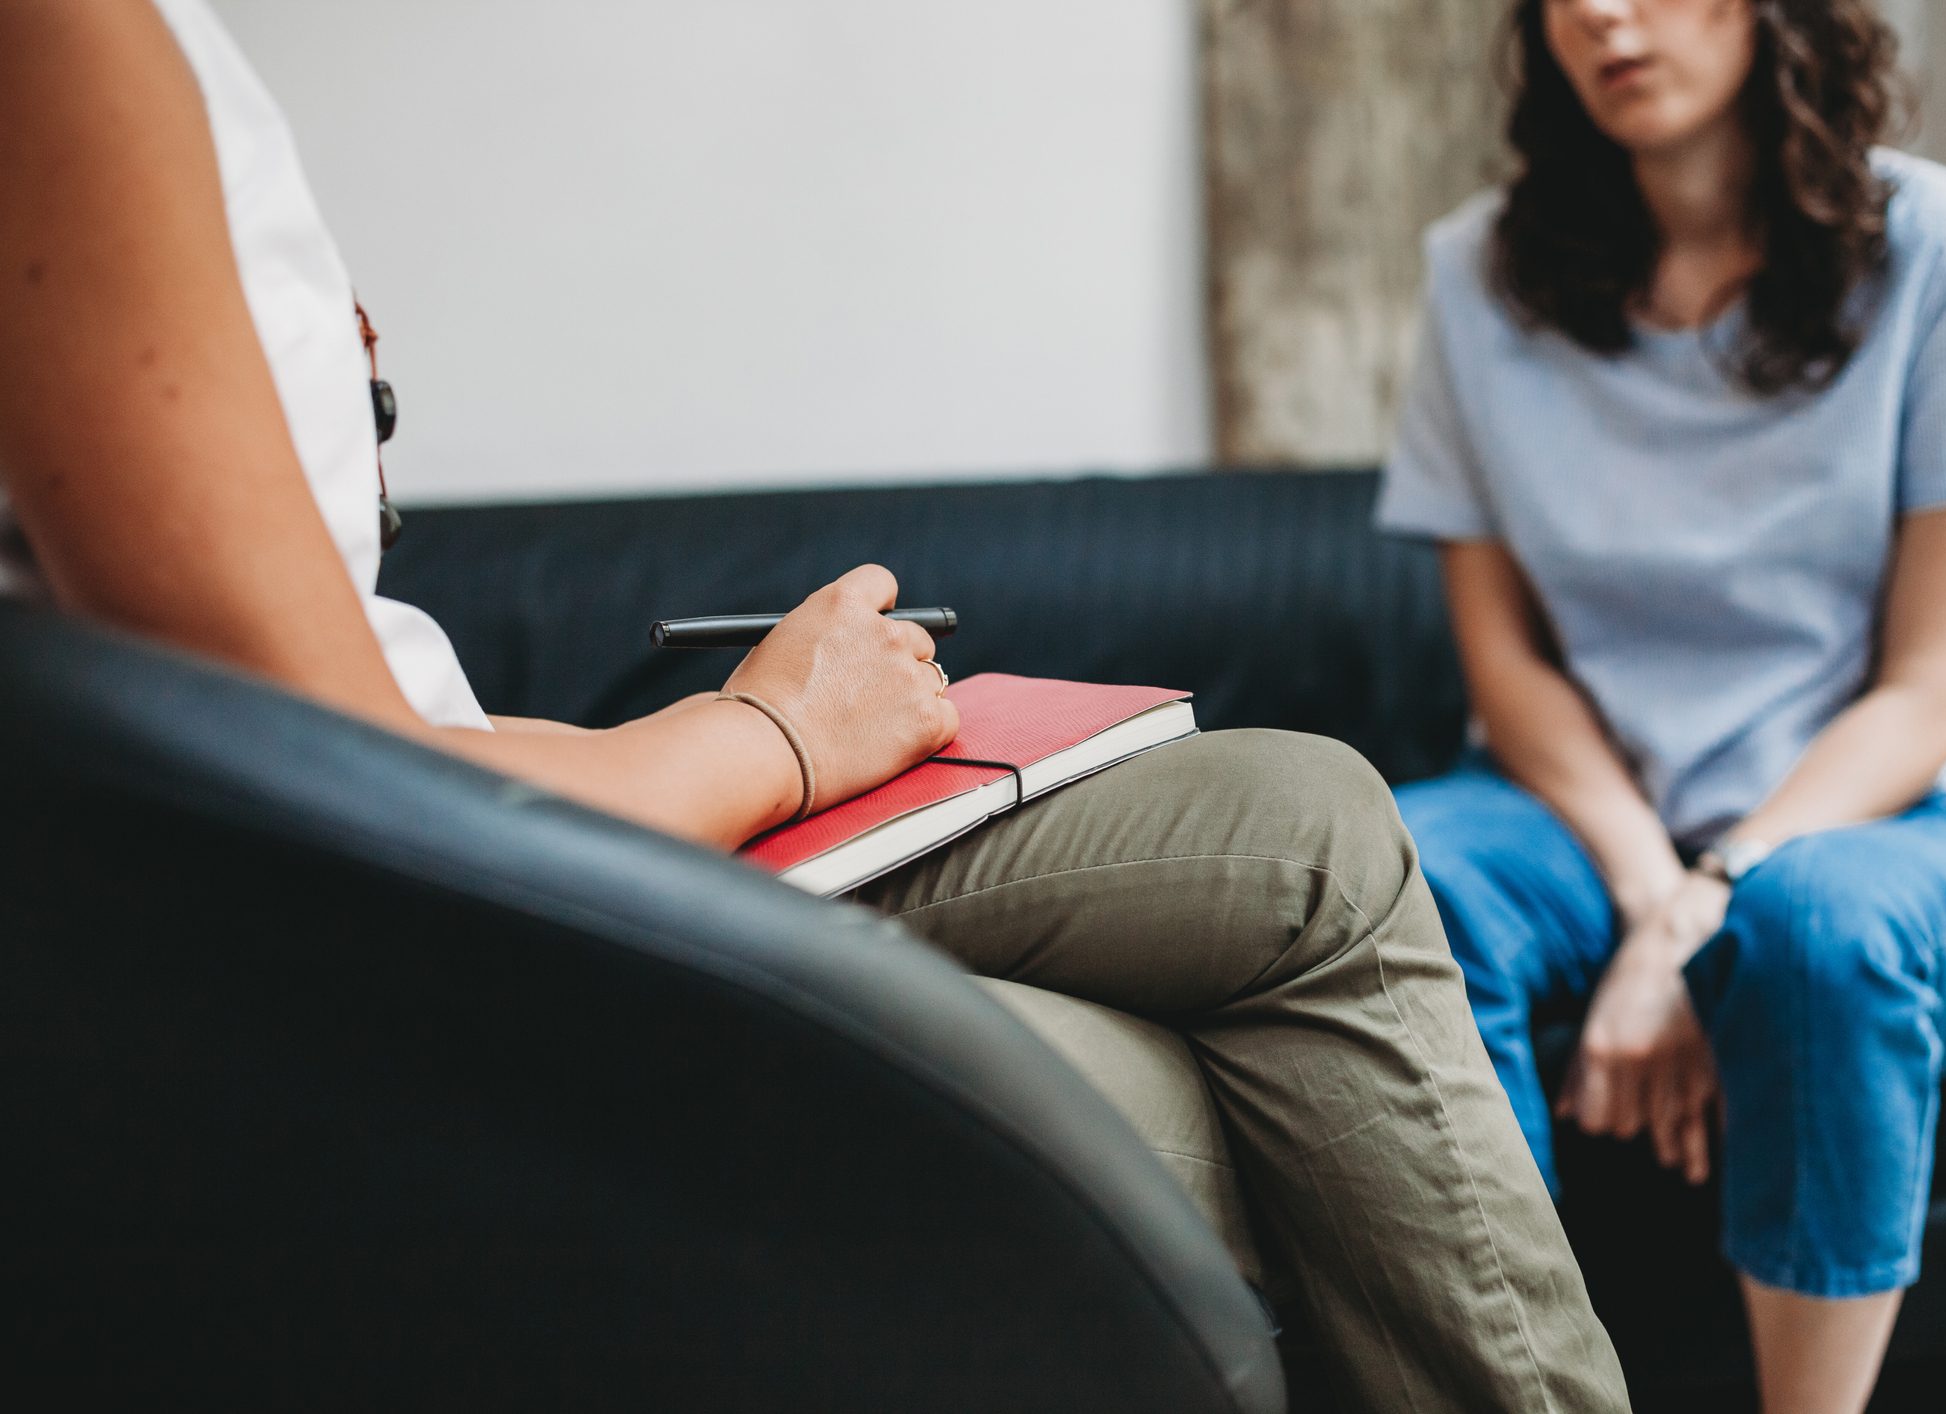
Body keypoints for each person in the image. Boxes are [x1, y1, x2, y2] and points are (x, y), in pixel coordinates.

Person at [0, 2, 1632, 1409]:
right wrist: (771, 737)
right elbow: (322, 789)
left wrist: (747, 728)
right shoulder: (64, 45)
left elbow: (356, 691)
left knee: (1305, 819)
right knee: (1218, 1088)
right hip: (421, 950)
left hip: (472, 830)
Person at [1380, 1, 1946, 1410]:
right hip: (1578, 818)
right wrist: (1654, 894)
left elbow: (1927, 689)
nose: (1603, 11)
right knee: (1382, 880)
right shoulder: (1478, 274)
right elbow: (1508, 669)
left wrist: (1713, 892)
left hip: (1903, 817)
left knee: (1814, 928)